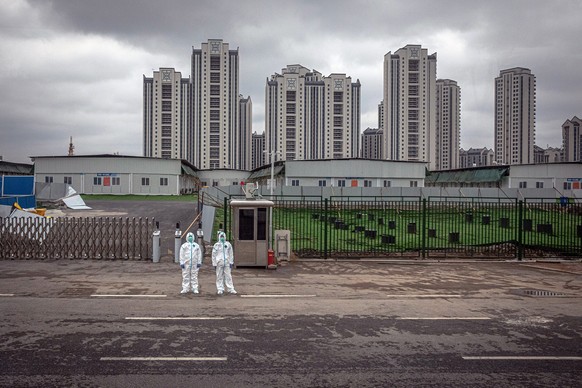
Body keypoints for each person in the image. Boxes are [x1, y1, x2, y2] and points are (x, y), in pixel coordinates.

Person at [211, 231, 237, 295]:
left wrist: (231, 262)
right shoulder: (216, 245)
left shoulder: (228, 244)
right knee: (219, 276)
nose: (222, 238)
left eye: (223, 237)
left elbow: (231, 254)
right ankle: (220, 289)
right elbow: (213, 255)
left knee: (228, 276)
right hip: (219, 262)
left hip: (227, 262)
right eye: (221, 237)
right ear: (219, 237)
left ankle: (230, 288)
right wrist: (214, 263)